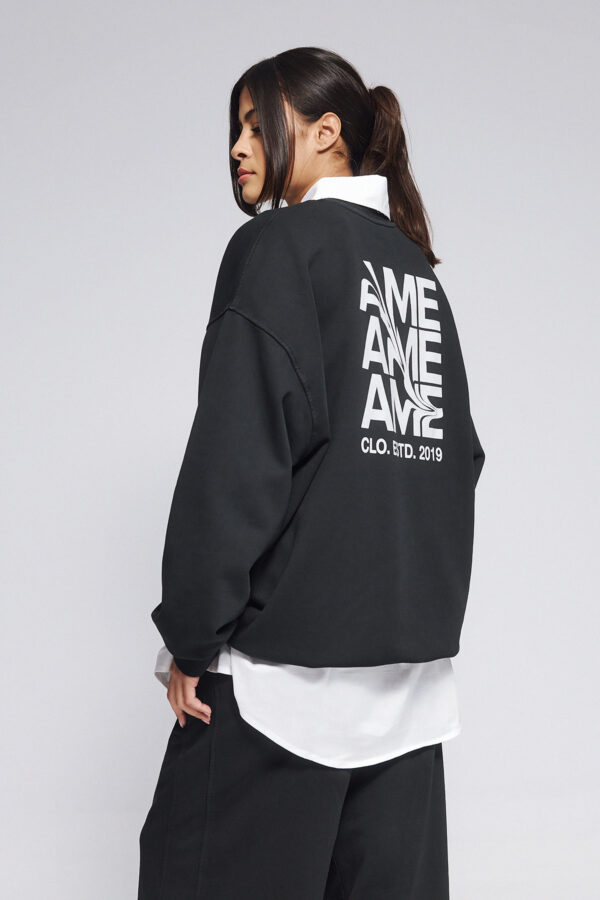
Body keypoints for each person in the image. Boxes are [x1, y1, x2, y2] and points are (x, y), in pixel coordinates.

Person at [138, 46, 485, 900]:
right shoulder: (418, 276)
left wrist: (191, 634)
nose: (239, 146)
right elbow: (456, 461)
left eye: (259, 125)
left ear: (327, 132)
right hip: (408, 702)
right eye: (235, 129)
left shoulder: (279, 248)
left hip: (278, 697)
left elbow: (236, 455)